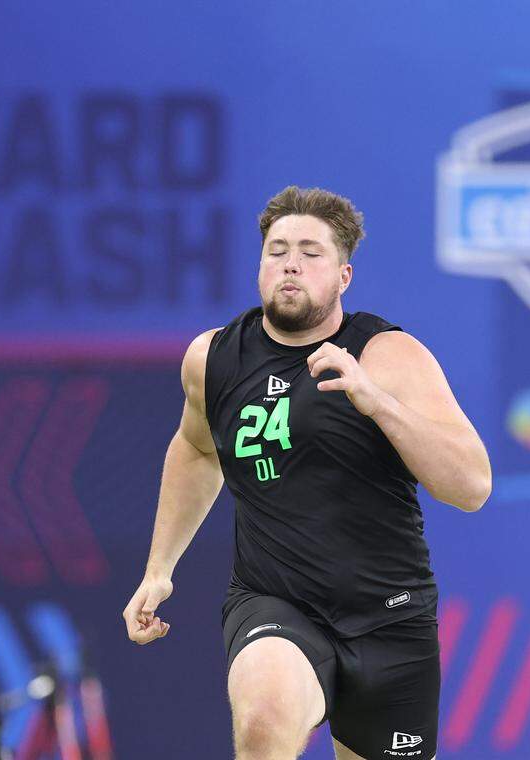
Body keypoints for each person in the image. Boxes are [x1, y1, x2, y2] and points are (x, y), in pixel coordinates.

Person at [121, 185, 492, 760]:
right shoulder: (213, 358)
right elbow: (196, 449)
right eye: (277, 251)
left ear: (344, 276)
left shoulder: (387, 354)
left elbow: (471, 487)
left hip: (389, 617)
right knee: (264, 717)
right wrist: (158, 569)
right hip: (275, 601)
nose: (290, 263)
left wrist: (377, 402)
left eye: (310, 252)